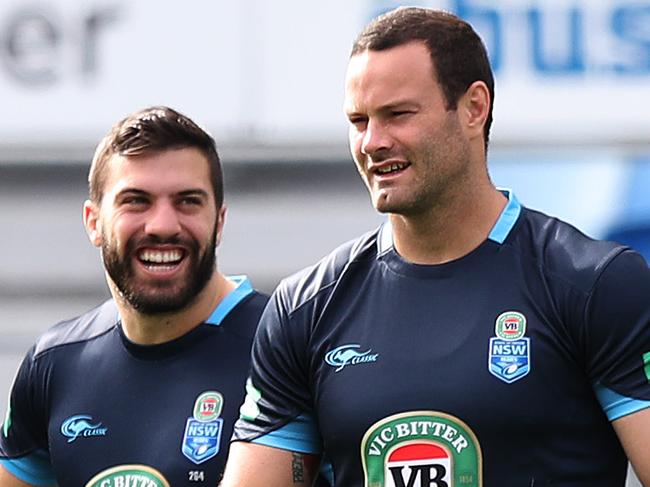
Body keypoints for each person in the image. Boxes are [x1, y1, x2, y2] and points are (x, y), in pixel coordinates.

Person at [220, 7, 650, 486]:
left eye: (398, 114)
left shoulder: (594, 284)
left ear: (473, 109)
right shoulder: (305, 308)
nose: (372, 142)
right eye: (358, 121)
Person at [0, 106, 268, 486]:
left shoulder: (283, 342)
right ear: (94, 222)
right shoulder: (55, 363)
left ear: (219, 221)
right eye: (136, 201)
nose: (162, 225)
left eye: (187, 201)